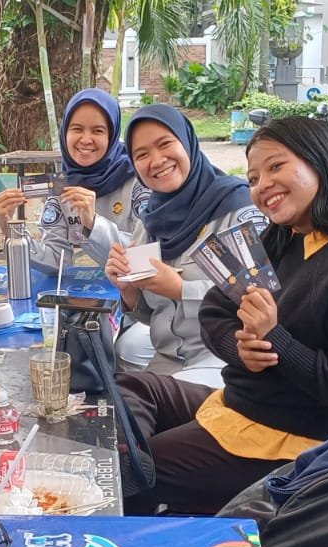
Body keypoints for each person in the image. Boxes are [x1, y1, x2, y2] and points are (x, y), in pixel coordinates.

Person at [115, 116, 328, 516]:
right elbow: (217, 308)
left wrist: (277, 342)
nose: (262, 185)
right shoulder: (286, 234)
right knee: (130, 388)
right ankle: (168, 480)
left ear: (321, 161)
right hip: (239, 403)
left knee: (125, 474)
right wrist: (242, 350)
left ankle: (160, 494)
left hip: (288, 438)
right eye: (253, 178)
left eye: (276, 167)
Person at [104, 104, 263, 387]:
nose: (156, 161)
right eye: (142, 154)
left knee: (132, 399)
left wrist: (180, 289)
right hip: (169, 358)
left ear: (187, 141)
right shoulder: (150, 221)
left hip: (225, 357)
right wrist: (129, 291)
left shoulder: (235, 208)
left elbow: (259, 296)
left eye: (165, 144)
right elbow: (153, 314)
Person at [0, 88, 144, 270]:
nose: (86, 139)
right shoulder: (61, 184)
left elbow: (145, 256)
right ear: (65, 132)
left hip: (148, 286)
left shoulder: (139, 180)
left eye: (98, 130)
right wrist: (12, 231)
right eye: (77, 128)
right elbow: (57, 260)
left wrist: (93, 223)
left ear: (112, 136)